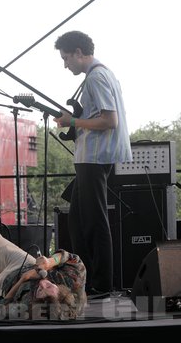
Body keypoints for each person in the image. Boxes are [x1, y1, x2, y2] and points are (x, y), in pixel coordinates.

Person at [52, 31, 132, 296]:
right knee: (77, 219)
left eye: (66, 58)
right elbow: (98, 116)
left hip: (95, 158)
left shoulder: (96, 77)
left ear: (78, 52)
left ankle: (101, 284)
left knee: (95, 221)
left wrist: (72, 122)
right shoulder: (102, 74)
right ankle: (83, 278)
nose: (65, 65)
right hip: (93, 157)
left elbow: (110, 121)